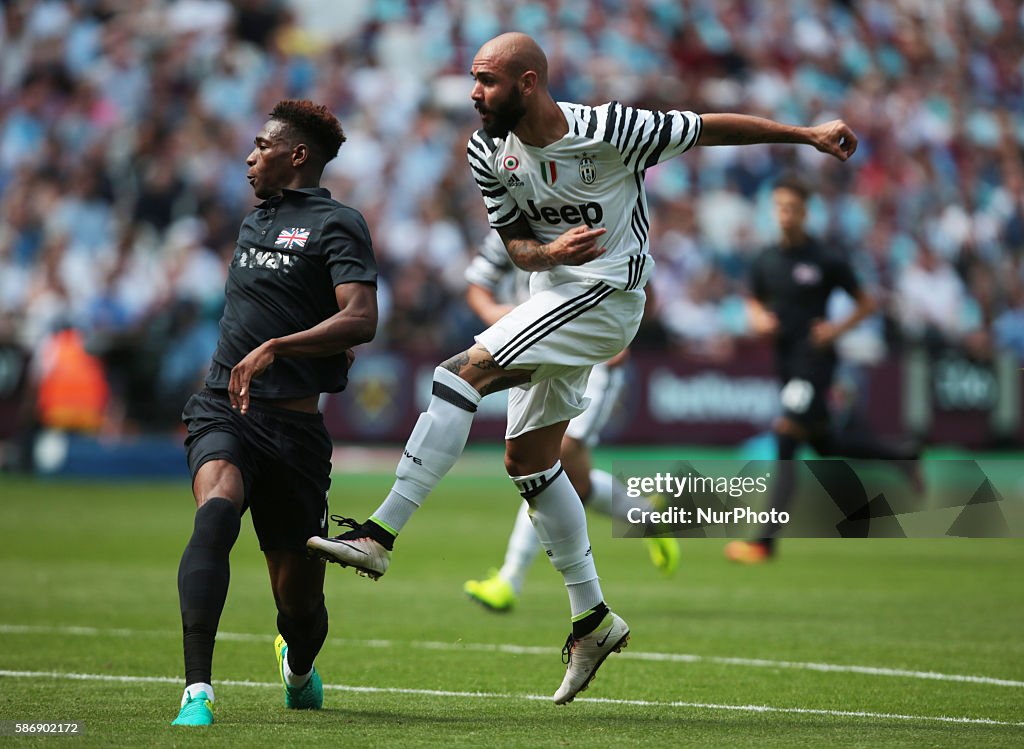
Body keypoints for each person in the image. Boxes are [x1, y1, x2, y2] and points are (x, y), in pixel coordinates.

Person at [307, 32, 857, 705]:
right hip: (554, 293)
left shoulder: (610, 128)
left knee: (457, 374)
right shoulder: (488, 149)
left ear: (529, 82)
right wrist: (550, 252)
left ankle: (380, 531)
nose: (474, 94)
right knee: (532, 463)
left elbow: (710, 128)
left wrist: (805, 134)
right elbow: (513, 244)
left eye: (486, 80)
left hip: (612, 295)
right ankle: (593, 618)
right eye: (473, 80)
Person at [172, 100, 378, 726]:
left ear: (297, 156)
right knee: (216, 515)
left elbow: (362, 318)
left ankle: (298, 666)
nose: (248, 156)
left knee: (300, 608)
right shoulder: (253, 222)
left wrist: (279, 347)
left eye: (261, 145)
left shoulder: (338, 223)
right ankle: (197, 693)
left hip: (294, 433)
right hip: (222, 410)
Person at [461, 231, 680, 613]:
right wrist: (496, 316)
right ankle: (646, 516)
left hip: (592, 353)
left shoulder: (589, 210)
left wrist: (621, 333)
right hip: (532, 348)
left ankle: (509, 580)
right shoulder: (506, 228)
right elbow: (477, 285)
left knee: (547, 462)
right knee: (570, 479)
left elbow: (644, 282)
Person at [725, 175, 919, 564]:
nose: (785, 215)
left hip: (815, 364)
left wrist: (835, 329)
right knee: (826, 444)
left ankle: (764, 542)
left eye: (792, 208)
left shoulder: (825, 259)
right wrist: (758, 319)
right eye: (780, 207)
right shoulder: (767, 259)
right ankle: (903, 455)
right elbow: (753, 301)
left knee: (785, 435)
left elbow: (867, 302)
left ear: (805, 212)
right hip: (785, 362)